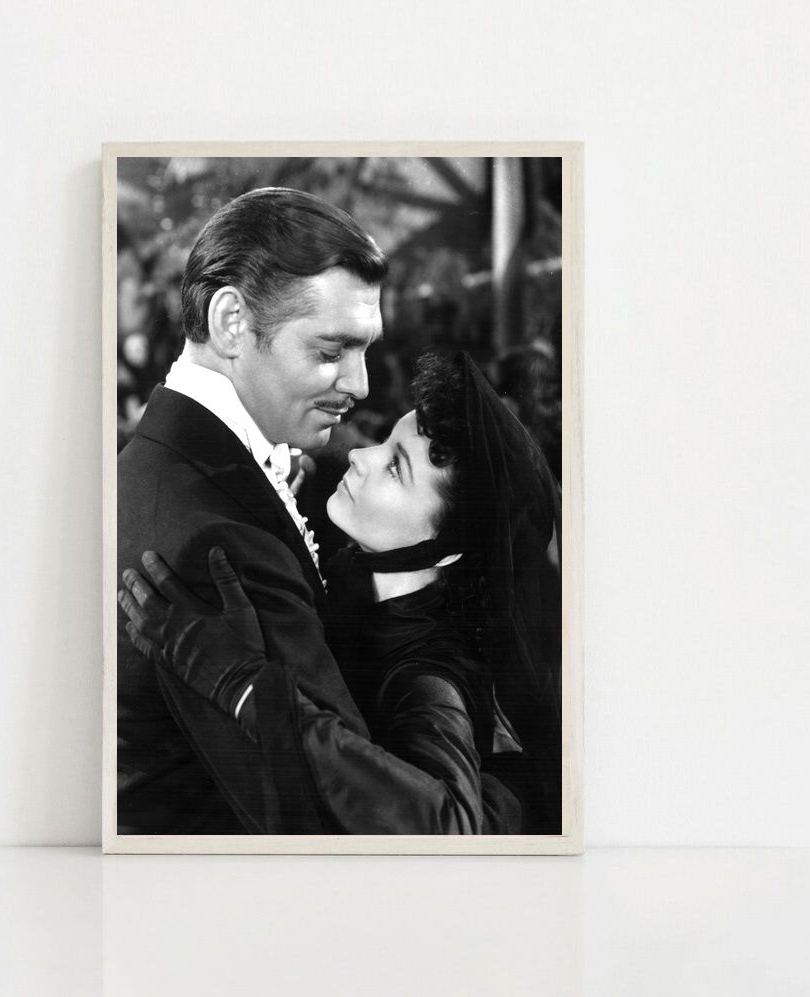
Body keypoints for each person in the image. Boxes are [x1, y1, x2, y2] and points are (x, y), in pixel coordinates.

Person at [121, 352, 562, 834]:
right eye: (384, 442)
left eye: (395, 468)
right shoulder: (361, 586)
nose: (361, 456)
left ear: (446, 549)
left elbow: (449, 825)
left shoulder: (427, 675)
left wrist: (241, 684)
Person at [116, 186, 388, 834]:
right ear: (232, 322)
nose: (361, 383)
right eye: (330, 352)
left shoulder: (159, 463)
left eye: (366, 350)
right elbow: (346, 810)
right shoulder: (222, 539)